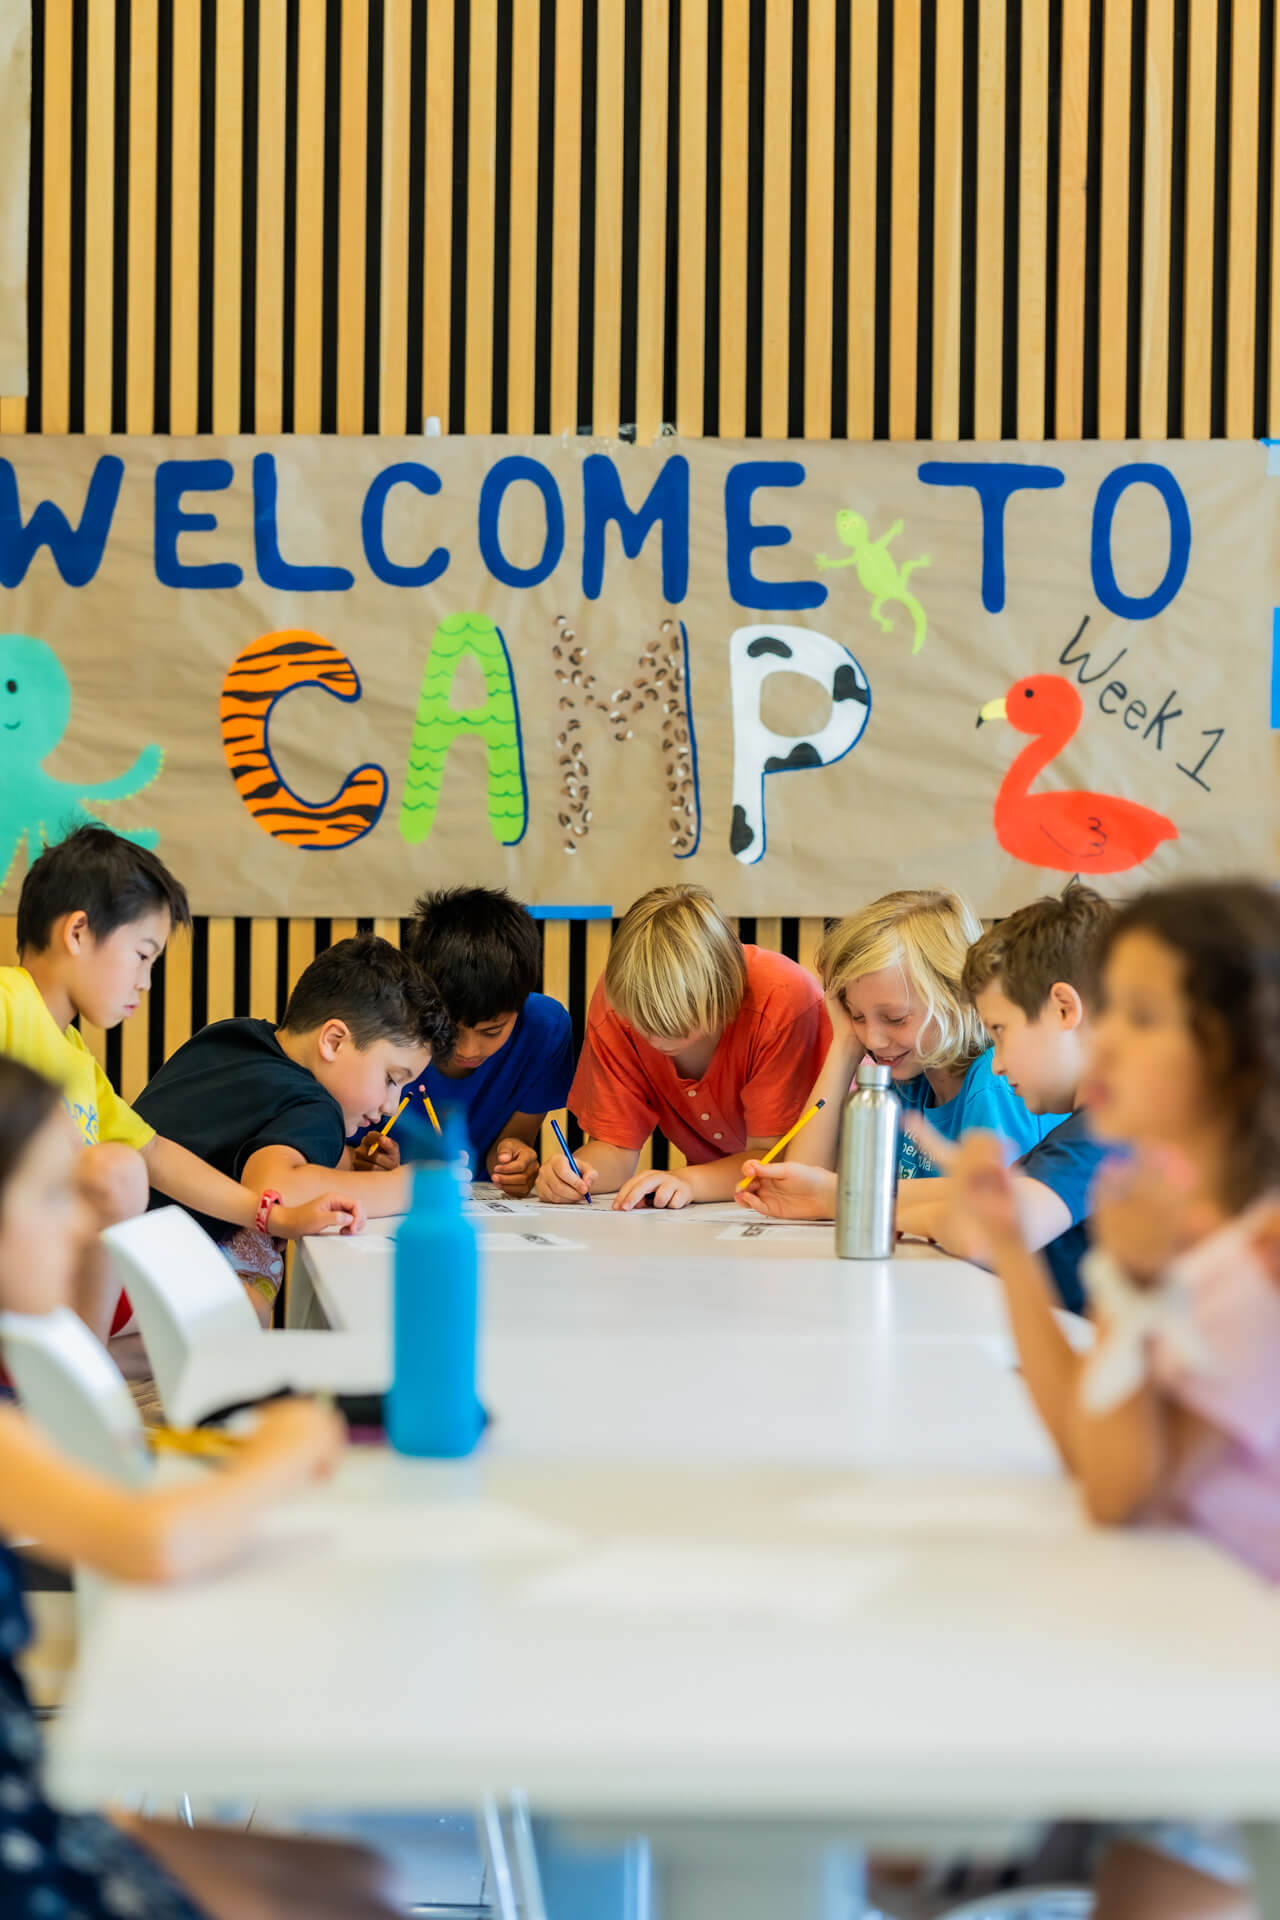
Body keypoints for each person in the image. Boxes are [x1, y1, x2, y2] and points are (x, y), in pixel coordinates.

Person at [934, 879, 1280, 1920]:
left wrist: (1126, 1288)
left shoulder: (1251, 1260)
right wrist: (1005, 1243)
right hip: (1185, 1670)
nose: (1107, 1042)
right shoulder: (1209, 1235)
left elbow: (1114, 1483)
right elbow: (1099, 1447)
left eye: (1139, 1014)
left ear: (1225, 1046)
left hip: (1231, 1708)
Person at [0, 1056, 403, 1918]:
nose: (83, 1227)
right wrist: (283, 1455)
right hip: (22, 1838)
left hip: (30, 1797)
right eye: (49, 1197)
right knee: (353, 1892)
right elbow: (152, 1543)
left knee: (358, 1882)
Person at [3, 828, 359, 1342]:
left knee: (229, 1322)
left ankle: (72, 1360)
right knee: (116, 1168)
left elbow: (158, 1153)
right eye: (142, 955)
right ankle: (75, 1365)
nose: (146, 982)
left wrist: (271, 1216)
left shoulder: (77, 1058)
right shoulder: (8, 999)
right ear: (78, 932)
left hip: (56, 1272)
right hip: (22, 1268)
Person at [739, 886, 1111, 1313]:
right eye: (857, 1017)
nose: (1002, 1063)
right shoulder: (907, 1082)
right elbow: (982, 1202)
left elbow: (988, 1223)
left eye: (894, 1018)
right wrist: (844, 1042)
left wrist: (863, 1203)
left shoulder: (1085, 1120)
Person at [136, 937, 452, 1267]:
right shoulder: (317, 1107)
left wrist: (348, 1162)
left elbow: (243, 1140)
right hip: (141, 1280)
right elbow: (274, 1190)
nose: (391, 1104)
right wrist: (406, 1188)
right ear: (334, 1042)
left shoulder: (236, 1036)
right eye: (391, 1079)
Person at [536, 884, 830, 1208]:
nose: (656, 1038)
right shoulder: (617, 995)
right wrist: (574, 1173)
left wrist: (688, 1181)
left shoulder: (783, 999)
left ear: (724, 991)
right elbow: (614, 1148)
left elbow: (773, 1159)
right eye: (640, 1022)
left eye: (677, 1021)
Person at [360, 887, 573, 1196]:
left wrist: (512, 1158)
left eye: (492, 1031)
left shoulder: (544, 1030)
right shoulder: (380, 1028)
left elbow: (509, 1145)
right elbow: (337, 1151)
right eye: (451, 1029)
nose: (467, 1050)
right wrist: (360, 1163)